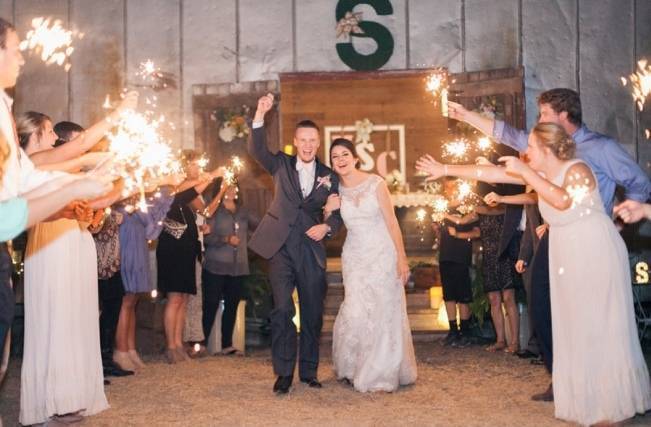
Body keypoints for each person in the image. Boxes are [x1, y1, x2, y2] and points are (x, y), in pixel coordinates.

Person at [417, 122, 651, 425]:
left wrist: (526, 173)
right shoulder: (540, 173)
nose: (525, 152)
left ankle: (609, 404)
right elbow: (489, 173)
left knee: (595, 322)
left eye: (530, 147)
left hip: (594, 250)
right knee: (572, 325)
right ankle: (586, 399)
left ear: (547, 149)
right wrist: (444, 167)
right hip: (566, 250)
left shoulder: (577, 169)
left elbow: (563, 201)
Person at [248, 93, 343, 394]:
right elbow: (256, 148)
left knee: (313, 312)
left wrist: (326, 227)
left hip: (310, 250)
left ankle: (310, 371)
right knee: (282, 311)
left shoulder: (329, 175)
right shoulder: (280, 164)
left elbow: (337, 215)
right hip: (279, 248)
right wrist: (260, 114)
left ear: (318, 143)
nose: (307, 145)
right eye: (302, 140)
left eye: (312, 140)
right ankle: (284, 372)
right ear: (295, 141)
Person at [326, 138, 417, 392]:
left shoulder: (376, 183)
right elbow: (330, 227)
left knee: (383, 309)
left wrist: (401, 257)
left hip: (382, 253)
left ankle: (381, 370)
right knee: (356, 308)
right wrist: (327, 210)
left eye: (345, 154)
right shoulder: (335, 191)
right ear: (332, 163)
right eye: (335, 156)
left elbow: (392, 222)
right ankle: (354, 366)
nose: (341, 159)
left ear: (355, 158)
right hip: (354, 257)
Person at [157, 150, 222, 363]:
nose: (198, 168)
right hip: (172, 247)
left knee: (184, 297)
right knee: (175, 297)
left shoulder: (187, 189)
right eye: (194, 164)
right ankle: (171, 346)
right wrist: (212, 175)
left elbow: (200, 206)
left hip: (187, 247)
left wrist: (212, 178)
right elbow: (188, 192)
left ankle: (178, 344)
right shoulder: (171, 186)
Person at [201, 180, 258, 355]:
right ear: (221, 189)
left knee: (232, 305)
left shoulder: (243, 211)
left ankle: (227, 344)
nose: (232, 190)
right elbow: (206, 237)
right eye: (228, 187)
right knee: (211, 304)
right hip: (215, 265)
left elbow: (260, 225)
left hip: (238, 267)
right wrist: (225, 239)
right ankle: (202, 343)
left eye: (234, 187)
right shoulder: (213, 211)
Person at [436, 178, 479, 348]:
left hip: (461, 254)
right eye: (446, 186)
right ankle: (453, 331)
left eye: (452, 185)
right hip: (446, 255)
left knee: (463, 295)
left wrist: (458, 235)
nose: (449, 189)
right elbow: (439, 229)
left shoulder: (468, 207)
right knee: (449, 295)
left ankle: (465, 331)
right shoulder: (441, 207)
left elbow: (476, 232)